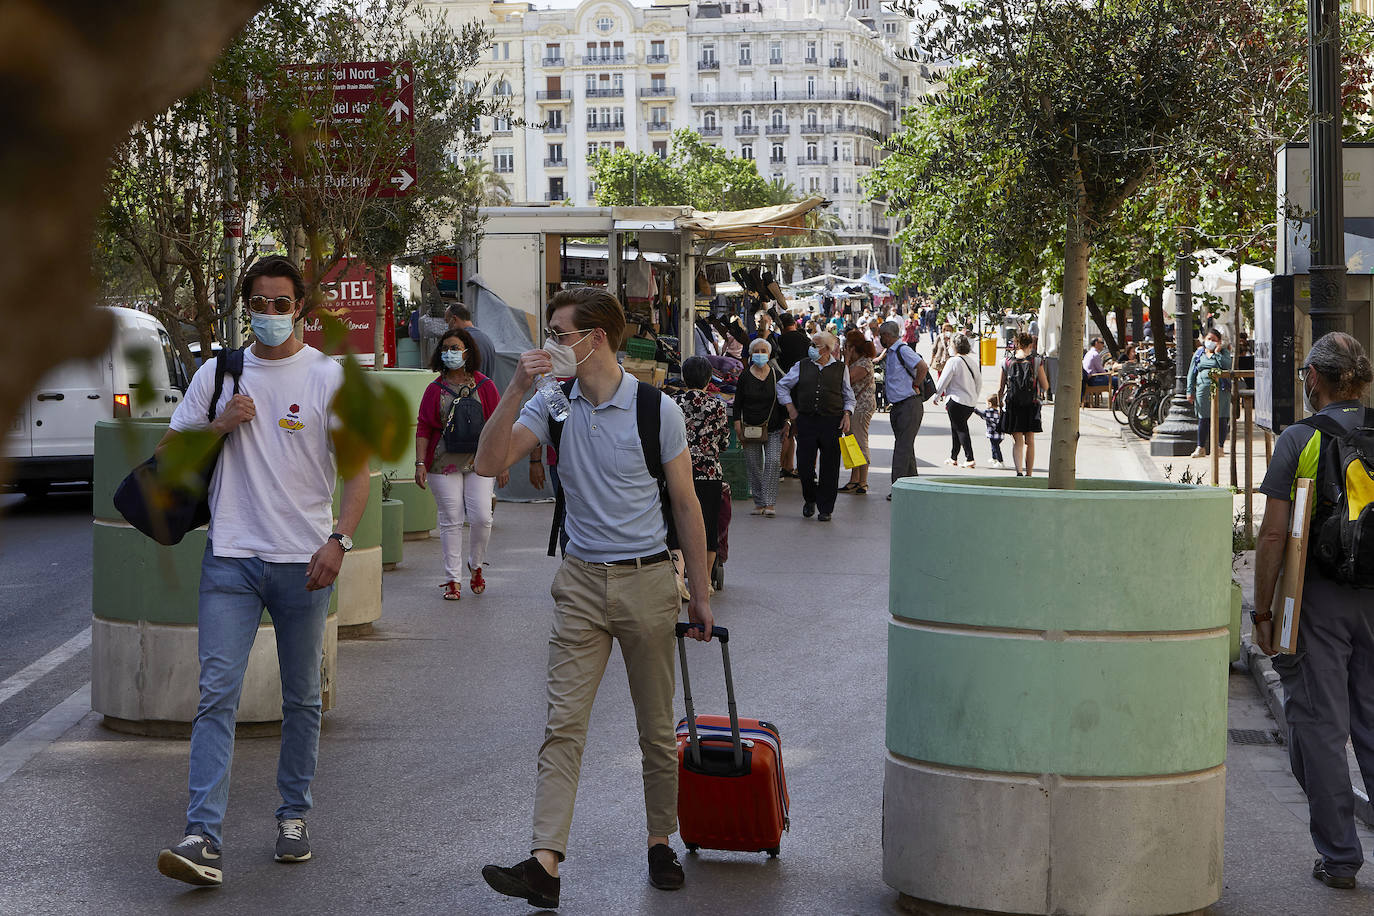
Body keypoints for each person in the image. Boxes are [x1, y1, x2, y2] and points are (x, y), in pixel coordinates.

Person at [473, 287, 712, 907]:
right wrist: (517, 391)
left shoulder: (655, 409)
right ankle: (545, 864)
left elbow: (686, 504)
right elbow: (485, 463)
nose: (549, 344)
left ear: (594, 339)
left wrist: (701, 595)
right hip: (580, 581)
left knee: (657, 728)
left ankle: (661, 840)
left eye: (559, 332)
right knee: (562, 727)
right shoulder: (552, 402)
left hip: (649, 578)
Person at [154, 256, 371, 886]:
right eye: (260, 302)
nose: (270, 314)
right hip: (231, 558)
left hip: (304, 560)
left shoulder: (329, 377)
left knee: (302, 697)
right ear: (245, 306)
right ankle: (201, 837)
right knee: (216, 694)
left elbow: (355, 471)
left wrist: (340, 540)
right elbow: (168, 456)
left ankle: (294, 817)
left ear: (301, 308)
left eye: (282, 303)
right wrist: (219, 425)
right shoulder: (219, 373)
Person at [1254, 331, 1374, 890]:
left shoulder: (1299, 439)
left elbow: (1275, 535)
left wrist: (1262, 611)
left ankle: (1341, 859)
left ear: (1315, 379)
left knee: (1321, 730)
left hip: (1318, 603)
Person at [415, 327, 506, 601]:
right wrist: (420, 462)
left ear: (468, 351)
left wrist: (503, 462)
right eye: (445, 349)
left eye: (455, 348)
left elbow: (499, 425)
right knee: (451, 520)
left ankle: (476, 565)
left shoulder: (486, 386)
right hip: (443, 463)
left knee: (481, 517)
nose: (449, 354)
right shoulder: (434, 389)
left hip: (480, 461)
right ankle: (452, 579)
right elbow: (424, 427)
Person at [775, 330, 854, 521]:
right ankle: (810, 499)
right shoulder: (801, 366)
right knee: (804, 465)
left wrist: (847, 414)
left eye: (815, 345)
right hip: (807, 421)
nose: (811, 348)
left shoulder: (840, 368)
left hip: (831, 421)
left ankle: (826, 508)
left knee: (830, 466)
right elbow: (782, 386)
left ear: (827, 349)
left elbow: (848, 395)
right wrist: (791, 408)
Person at [670, 356, 729, 598]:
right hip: (709, 474)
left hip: (677, 472)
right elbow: (723, 442)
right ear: (708, 379)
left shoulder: (672, 403)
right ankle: (703, 582)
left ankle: (677, 577)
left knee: (676, 526)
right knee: (707, 526)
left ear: (684, 378)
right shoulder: (718, 406)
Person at [732, 338, 785, 517]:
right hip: (750, 428)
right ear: (751, 353)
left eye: (764, 351)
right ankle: (759, 502)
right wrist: (737, 425)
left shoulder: (777, 375)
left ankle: (770, 503)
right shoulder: (745, 376)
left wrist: (787, 423)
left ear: (769, 354)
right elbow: (737, 401)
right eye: (757, 351)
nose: (760, 354)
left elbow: (784, 401)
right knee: (754, 465)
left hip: (774, 427)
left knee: (772, 462)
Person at [877, 319, 929, 500]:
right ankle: (913, 484)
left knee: (901, 448)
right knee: (906, 447)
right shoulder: (890, 352)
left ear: (887, 335)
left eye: (881, 335)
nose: (879, 338)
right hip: (899, 406)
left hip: (909, 404)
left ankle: (898, 488)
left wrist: (916, 383)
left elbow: (922, 366)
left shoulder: (902, 350)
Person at [999, 332, 1049, 477]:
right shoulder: (1036, 361)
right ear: (1030, 345)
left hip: (1013, 405)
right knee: (1030, 441)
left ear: (1016, 344)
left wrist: (1000, 403)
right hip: (1031, 405)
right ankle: (1029, 473)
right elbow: (1045, 386)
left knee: (1018, 440)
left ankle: (1019, 472)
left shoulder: (1007, 361)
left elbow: (1000, 388)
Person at [935, 334, 981, 468]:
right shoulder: (972, 362)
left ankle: (969, 458)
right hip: (969, 402)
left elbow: (943, 380)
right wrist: (974, 397)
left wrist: (936, 396)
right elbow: (979, 382)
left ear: (955, 346)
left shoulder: (953, 361)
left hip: (956, 400)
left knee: (960, 429)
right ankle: (953, 456)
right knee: (956, 428)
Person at [1186, 328, 1233, 459]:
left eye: (1214, 340)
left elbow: (1226, 366)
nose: (1210, 342)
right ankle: (1201, 447)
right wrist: (1190, 390)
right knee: (1203, 418)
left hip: (1221, 390)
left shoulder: (1224, 353)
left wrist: (1217, 353)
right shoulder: (1199, 353)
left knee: (1222, 418)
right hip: (1202, 389)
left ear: (1219, 342)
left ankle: (1219, 447)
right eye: (1209, 339)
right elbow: (1192, 372)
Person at [775, 312, 810, 478]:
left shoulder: (780, 341)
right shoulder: (806, 340)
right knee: (799, 432)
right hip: (804, 390)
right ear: (794, 324)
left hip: (786, 389)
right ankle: (797, 468)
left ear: (781, 326)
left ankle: (783, 467)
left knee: (786, 429)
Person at [842, 329, 876, 494]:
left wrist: (846, 360)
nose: (844, 349)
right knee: (851, 443)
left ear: (853, 348)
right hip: (853, 407)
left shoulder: (864, 363)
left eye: (847, 346)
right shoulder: (858, 362)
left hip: (862, 407)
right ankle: (854, 479)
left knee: (860, 442)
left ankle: (863, 481)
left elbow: (846, 380)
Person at [446, 303, 499, 389]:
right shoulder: (487, 339)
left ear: (454, 319)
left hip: (469, 397)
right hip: (486, 395)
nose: (447, 327)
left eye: (447, 321)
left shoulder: (462, 342)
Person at [974, 394, 1007, 469]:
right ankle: (994, 458)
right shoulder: (999, 412)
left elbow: (982, 414)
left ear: (990, 404)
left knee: (995, 447)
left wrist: (974, 409)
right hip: (1000, 434)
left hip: (993, 434)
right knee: (994, 446)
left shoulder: (989, 412)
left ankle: (1000, 462)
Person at [1081, 336, 1109, 403]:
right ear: (1096, 343)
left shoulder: (1088, 353)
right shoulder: (1095, 354)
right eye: (1102, 343)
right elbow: (1100, 369)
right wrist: (1107, 372)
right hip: (1093, 379)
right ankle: (1116, 404)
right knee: (1116, 381)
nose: (1103, 345)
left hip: (1087, 378)